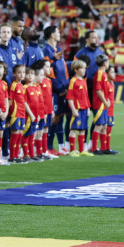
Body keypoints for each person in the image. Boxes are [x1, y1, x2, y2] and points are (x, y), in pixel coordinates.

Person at [43, 25, 69, 156]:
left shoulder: (58, 49)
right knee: (52, 118)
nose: (59, 34)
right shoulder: (46, 50)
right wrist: (59, 88)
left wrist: (66, 87)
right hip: (53, 90)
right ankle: (46, 146)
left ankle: (54, 146)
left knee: (59, 118)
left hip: (62, 90)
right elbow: (47, 72)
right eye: (58, 32)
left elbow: (63, 69)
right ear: (52, 34)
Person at [67, 59, 93, 157]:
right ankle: (72, 150)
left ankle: (82, 150)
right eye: (82, 68)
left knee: (83, 130)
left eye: (85, 68)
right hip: (77, 110)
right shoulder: (73, 81)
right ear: (76, 70)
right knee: (74, 129)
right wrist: (73, 110)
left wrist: (88, 108)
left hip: (84, 109)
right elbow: (69, 97)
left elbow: (86, 96)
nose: (84, 70)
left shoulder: (83, 81)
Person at [8, 64, 30, 163]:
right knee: (15, 134)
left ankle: (16, 155)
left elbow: (23, 101)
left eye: (23, 72)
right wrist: (8, 113)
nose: (22, 75)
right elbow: (10, 99)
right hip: (15, 114)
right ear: (14, 74)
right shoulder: (13, 85)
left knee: (20, 134)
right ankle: (12, 156)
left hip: (22, 114)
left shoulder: (22, 86)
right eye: (19, 72)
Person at [91, 55, 111, 155]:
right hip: (99, 104)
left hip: (103, 104)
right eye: (107, 62)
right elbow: (98, 90)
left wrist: (107, 100)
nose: (108, 64)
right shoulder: (99, 74)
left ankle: (104, 148)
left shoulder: (104, 74)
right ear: (104, 63)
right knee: (98, 125)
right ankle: (94, 148)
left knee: (104, 125)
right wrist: (105, 101)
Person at [24, 67, 44, 162]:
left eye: (32, 74)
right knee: (26, 135)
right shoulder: (25, 88)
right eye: (28, 74)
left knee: (32, 135)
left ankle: (32, 154)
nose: (30, 76)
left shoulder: (35, 88)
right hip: (28, 116)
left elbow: (37, 103)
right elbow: (25, 103)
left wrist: (38, 114)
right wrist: (31, 114)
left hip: (35, 115)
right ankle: (25, 154)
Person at [38, 58, 55, 160]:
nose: (49, 69)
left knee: (46, 130)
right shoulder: (40, 81)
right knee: (40, 130)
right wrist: (42, 111)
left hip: (49, 110)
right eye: (47, 66)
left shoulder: (49, 80)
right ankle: (40, 151)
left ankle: (45, 150)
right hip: (42, 111)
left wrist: (52, 110)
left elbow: (50, 96)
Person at [104, 65, 118, 155]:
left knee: (109, 129)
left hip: (111, 110)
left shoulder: (112, 83)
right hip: (107, 110)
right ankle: (105, 148)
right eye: (112, 72)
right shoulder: (106, 84)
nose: (114, 74)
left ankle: (107, 147)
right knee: (107, 129)